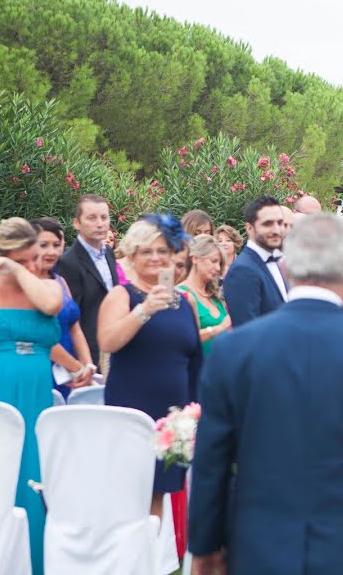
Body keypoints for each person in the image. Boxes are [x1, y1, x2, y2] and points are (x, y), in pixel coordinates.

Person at [189, 214, 343, 575]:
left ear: (286, 266)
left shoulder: (234, 349)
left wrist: (203, 545)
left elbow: (211, 459)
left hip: (256, 543)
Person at [0, 217, 63, 575]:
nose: (35, 264)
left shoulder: (47, 288)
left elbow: (51, 307)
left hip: (33, 394)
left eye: (35, 257)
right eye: (25, 259)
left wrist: (19, 272)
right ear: (2, 255)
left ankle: (31, 562)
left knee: (30, 472)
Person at [98, 215, 202, 517]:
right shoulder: (122, 296)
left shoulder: (185, 301)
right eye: (147, 251)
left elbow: (195, 360)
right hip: (133, 407)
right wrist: (143, 311)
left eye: (162, 251)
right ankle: (131, 556)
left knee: (160, 490)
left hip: (174, 415)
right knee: (131, 491)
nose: (155, 258)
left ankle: (156, 556)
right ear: (132, 255)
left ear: (173, 256)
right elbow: (107, 342)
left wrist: (196, 410)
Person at [31, 217, 95, 399]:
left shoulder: (61, 281)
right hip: (42, 365)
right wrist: (76, 368)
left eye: (56, 244)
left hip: (71, 369)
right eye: (43, 245)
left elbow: (75, 328)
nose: (51, 251)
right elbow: (39, 336)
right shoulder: (26, 286)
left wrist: (88, 366)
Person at [55, 195, 119, 365]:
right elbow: (70, 317)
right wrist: (82, 361)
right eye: (92, 218)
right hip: (87, 353)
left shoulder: (109, 254)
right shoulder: (68, 262)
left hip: (113, 346)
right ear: (77, 223)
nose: (100, 223)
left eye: (104, 217)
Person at [224, 197, 288, 326]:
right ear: (249, 228)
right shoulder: (242, 271)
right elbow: (247, 331)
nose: (276, 230)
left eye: (280, 223)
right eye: (267, 224)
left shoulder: (278, 261)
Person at [177, 235, 231, 357]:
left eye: (220, 263)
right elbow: (181, 340)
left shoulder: (214, 295)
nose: (217, 268)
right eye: (213, 261)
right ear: (195, 259)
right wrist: (219, 328)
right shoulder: (181, 294)